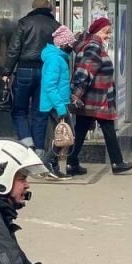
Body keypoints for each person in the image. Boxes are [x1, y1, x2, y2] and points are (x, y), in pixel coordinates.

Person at [67, 17, 132, 175]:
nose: (108, 35)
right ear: (97, 31)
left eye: (110, 32)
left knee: (82, 130)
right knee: (106, 128)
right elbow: (85, 71)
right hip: (97, 99)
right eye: (106, 32)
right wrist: (77, 94)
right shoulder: (94, 46)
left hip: (93, 98)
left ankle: (72, 162)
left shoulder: (92, 45)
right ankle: (117, 162)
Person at [2, 0, 61, 152]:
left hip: (24, 71)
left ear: (33, 8)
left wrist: (7, 72)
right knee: (40, 113)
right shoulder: (56, 26)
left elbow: (14, 49)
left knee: (19, 111)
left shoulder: (24, 23)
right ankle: (40, 151)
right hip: (47, 72)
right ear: (49, 9)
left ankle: (28, 145)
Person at [38, 25, 77, 178]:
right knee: (66, 135)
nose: (72, 47)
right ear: (63, 44)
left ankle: (52, 167)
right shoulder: (55, 59)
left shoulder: (57, 57)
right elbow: (50, 84)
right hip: (56, 104)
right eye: (70, 44)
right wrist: (60, 106)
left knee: (58, 135)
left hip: (57, 102)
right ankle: (47, 162)